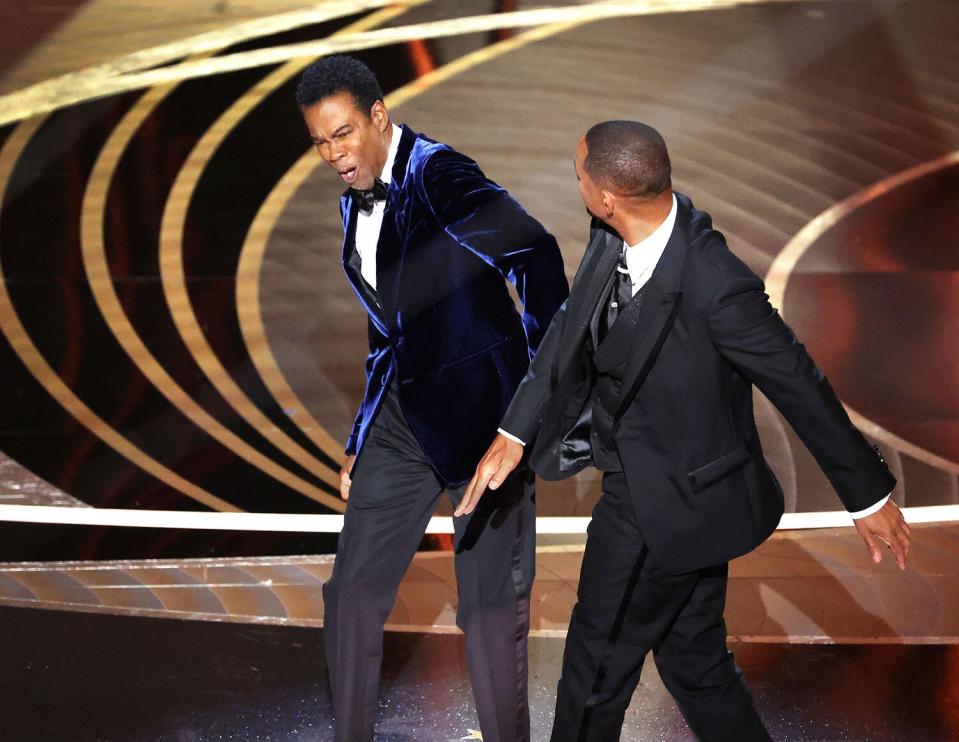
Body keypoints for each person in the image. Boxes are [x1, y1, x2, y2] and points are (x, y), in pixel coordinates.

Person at [459, 120, 910, 741]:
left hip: (662, 504)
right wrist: (515, 430)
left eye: (580, 175)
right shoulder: (611, 233)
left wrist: (867, 493)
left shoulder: (717, 285)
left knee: (593, 677)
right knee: (694, 663)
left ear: (607, 195)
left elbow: (797, 382)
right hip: (664, 495)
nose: (579, 186)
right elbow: (569, 327)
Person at [295, 56, 568, 742]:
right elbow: (388, 326)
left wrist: (525, 412)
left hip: (485, 426)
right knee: (352, 592)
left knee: (486, 609)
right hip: (402, 420)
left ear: (378, 115)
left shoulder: (441, 176)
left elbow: (535, 258)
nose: (334, 154)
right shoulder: (352, 195)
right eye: (321, 142)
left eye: (343, 134)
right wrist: (362, 432)